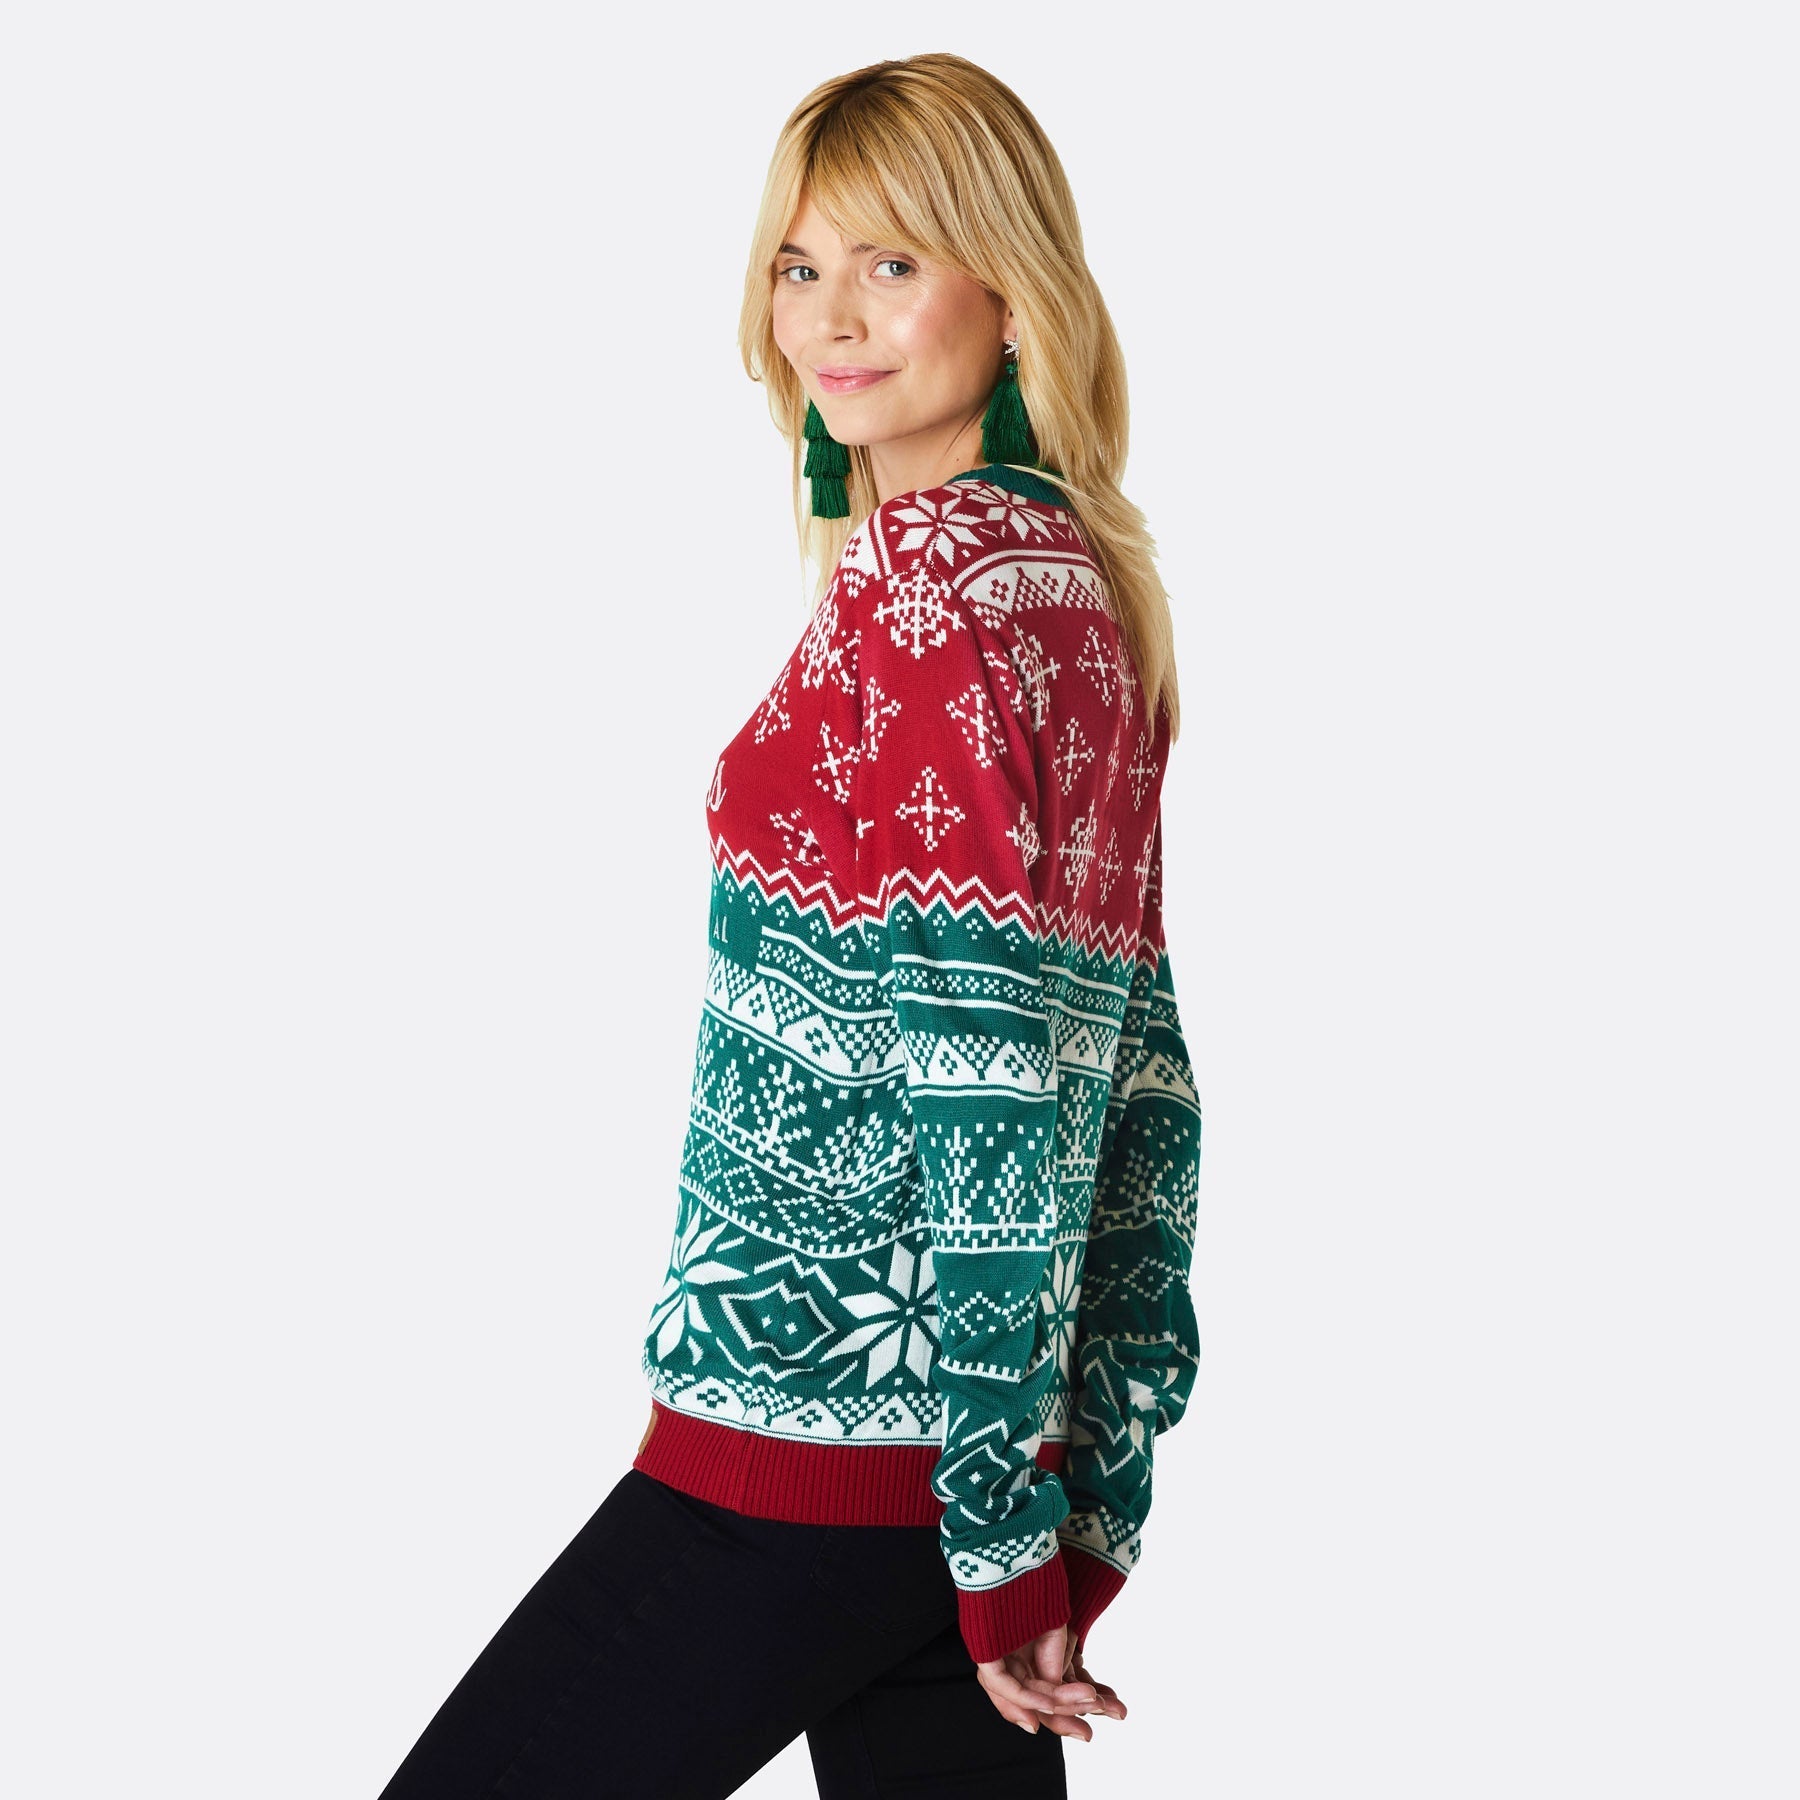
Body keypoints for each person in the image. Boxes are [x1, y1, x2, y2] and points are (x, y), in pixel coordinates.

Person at [375, 51, 1202, 1800]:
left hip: (817, 1450)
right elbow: (1144, 1087)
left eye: (893, 263)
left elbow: (993, 1079)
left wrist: (1003, 1535)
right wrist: (1068, 1497)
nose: (831, 317)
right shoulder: (1074, 589)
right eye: (798, 265)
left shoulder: (923, 595)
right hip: (963, 1470)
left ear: (1011, 289)